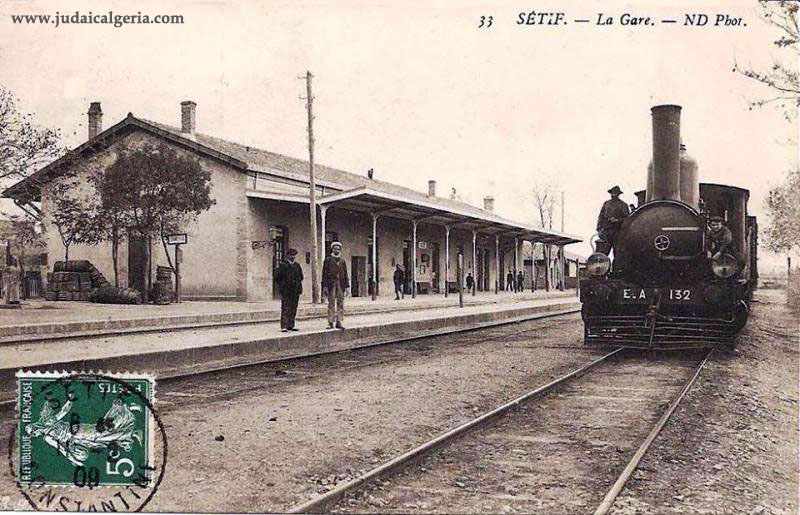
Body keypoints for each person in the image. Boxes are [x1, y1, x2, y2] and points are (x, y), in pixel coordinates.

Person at [596, 185, 631, 257]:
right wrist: (599, 229)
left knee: (618, 254)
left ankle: (617, 268)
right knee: (602, 253)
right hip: (606, 232)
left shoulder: (623, 205)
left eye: (615, 193)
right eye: (613, 193)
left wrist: (617, 220)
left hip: (618, 233)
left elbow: (627, 219)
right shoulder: (606, 204)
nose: (614, 194)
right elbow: (600, 217)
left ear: (618, 194)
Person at [274, 248, 303, 332]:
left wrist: (296, 284)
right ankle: (284, 325)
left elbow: (301, 276)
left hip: (295, 290)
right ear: (287, 256)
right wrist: (283, 285)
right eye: (291, 255)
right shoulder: (283, 265)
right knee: (286, 307)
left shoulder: (297, 265)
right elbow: (277, 277)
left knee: (294, 307)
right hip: (286, 290)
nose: (292, 257)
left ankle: (291, 325)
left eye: (294, 255)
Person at [322, 241, 349, 329]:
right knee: (331, 303)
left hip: (341, 284)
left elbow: (345, 274)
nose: (336, 250)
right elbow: (324, 274)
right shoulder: (328, 260)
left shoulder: (342, 261)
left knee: (340, 303)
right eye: (335, 248)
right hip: (331, 284)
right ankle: (330, 322)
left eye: (338, 249)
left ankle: (339, 321)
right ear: (332, 249)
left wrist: (347, 286)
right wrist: (325, 286)